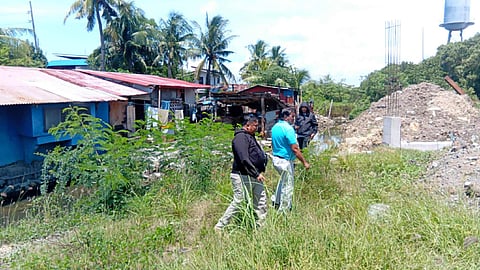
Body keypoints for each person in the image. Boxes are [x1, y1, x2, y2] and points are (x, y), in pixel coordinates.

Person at [215, 114, 268, 230]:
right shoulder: (240, 138)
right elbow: (244, 158)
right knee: (239, 201)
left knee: (261, 201)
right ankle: (220, 226)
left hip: (255, 175)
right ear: (247, 125)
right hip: (242, 176)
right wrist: (255, 173)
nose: (257, 128)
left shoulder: (250, 136)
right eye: (255, 125)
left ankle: (261, 228)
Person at [271, 109, 310, 212]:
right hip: (285, 161)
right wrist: (304, 162)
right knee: (288, 185)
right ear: (285, 116)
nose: (293, 118)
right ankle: (284, 210)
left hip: (276, 159)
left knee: (282, 180)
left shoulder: (275, 127)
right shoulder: (288, 129)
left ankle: (276, 201)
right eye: (292, 116)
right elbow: (295, 148)